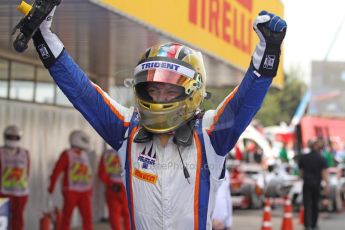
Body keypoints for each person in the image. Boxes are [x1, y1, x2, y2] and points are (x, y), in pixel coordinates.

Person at [29, 5, 287, 229]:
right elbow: (83, 93)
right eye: (153, 89)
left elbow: (244, 102)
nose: (159, 97)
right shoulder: (126, 130)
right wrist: (45, 38)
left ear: (191, 91)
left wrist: (268, 51)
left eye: (169, 89)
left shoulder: (210, 135)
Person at [48, 130, 93, 230]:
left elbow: (89, 175)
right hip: (71, 191)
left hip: (84, 192)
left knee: (87, 218)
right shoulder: (67, 154)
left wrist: (90, 190)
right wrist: (51, 187)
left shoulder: (84, 155)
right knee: (66, 218)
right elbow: (57, 171)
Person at [0, 125, 30, 230]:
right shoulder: (1, 152)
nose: (12, 139)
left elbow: (27, 172)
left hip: (21, 193)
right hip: (3, 192)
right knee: (2, 220)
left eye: (15, 137)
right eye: (10, 137)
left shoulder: (25, 153)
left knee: (18, 220)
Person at [298, 138, 329, 230]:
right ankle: (314, 223)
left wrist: (304, 178)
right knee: (315, 204)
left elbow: (301, 173)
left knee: (307, 204)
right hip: (316, 184)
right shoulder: (321, 158)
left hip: (307, 183)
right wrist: (326, 185)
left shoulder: (303, 157)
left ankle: (308, 224)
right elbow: (324, 173)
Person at [98, 148, 130, 230]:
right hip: (125, 186)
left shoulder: (107, 153)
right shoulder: (131, 150)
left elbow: (101, 172)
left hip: (113, 187)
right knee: (128, 214)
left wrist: (110, 183)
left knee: (115, 214)